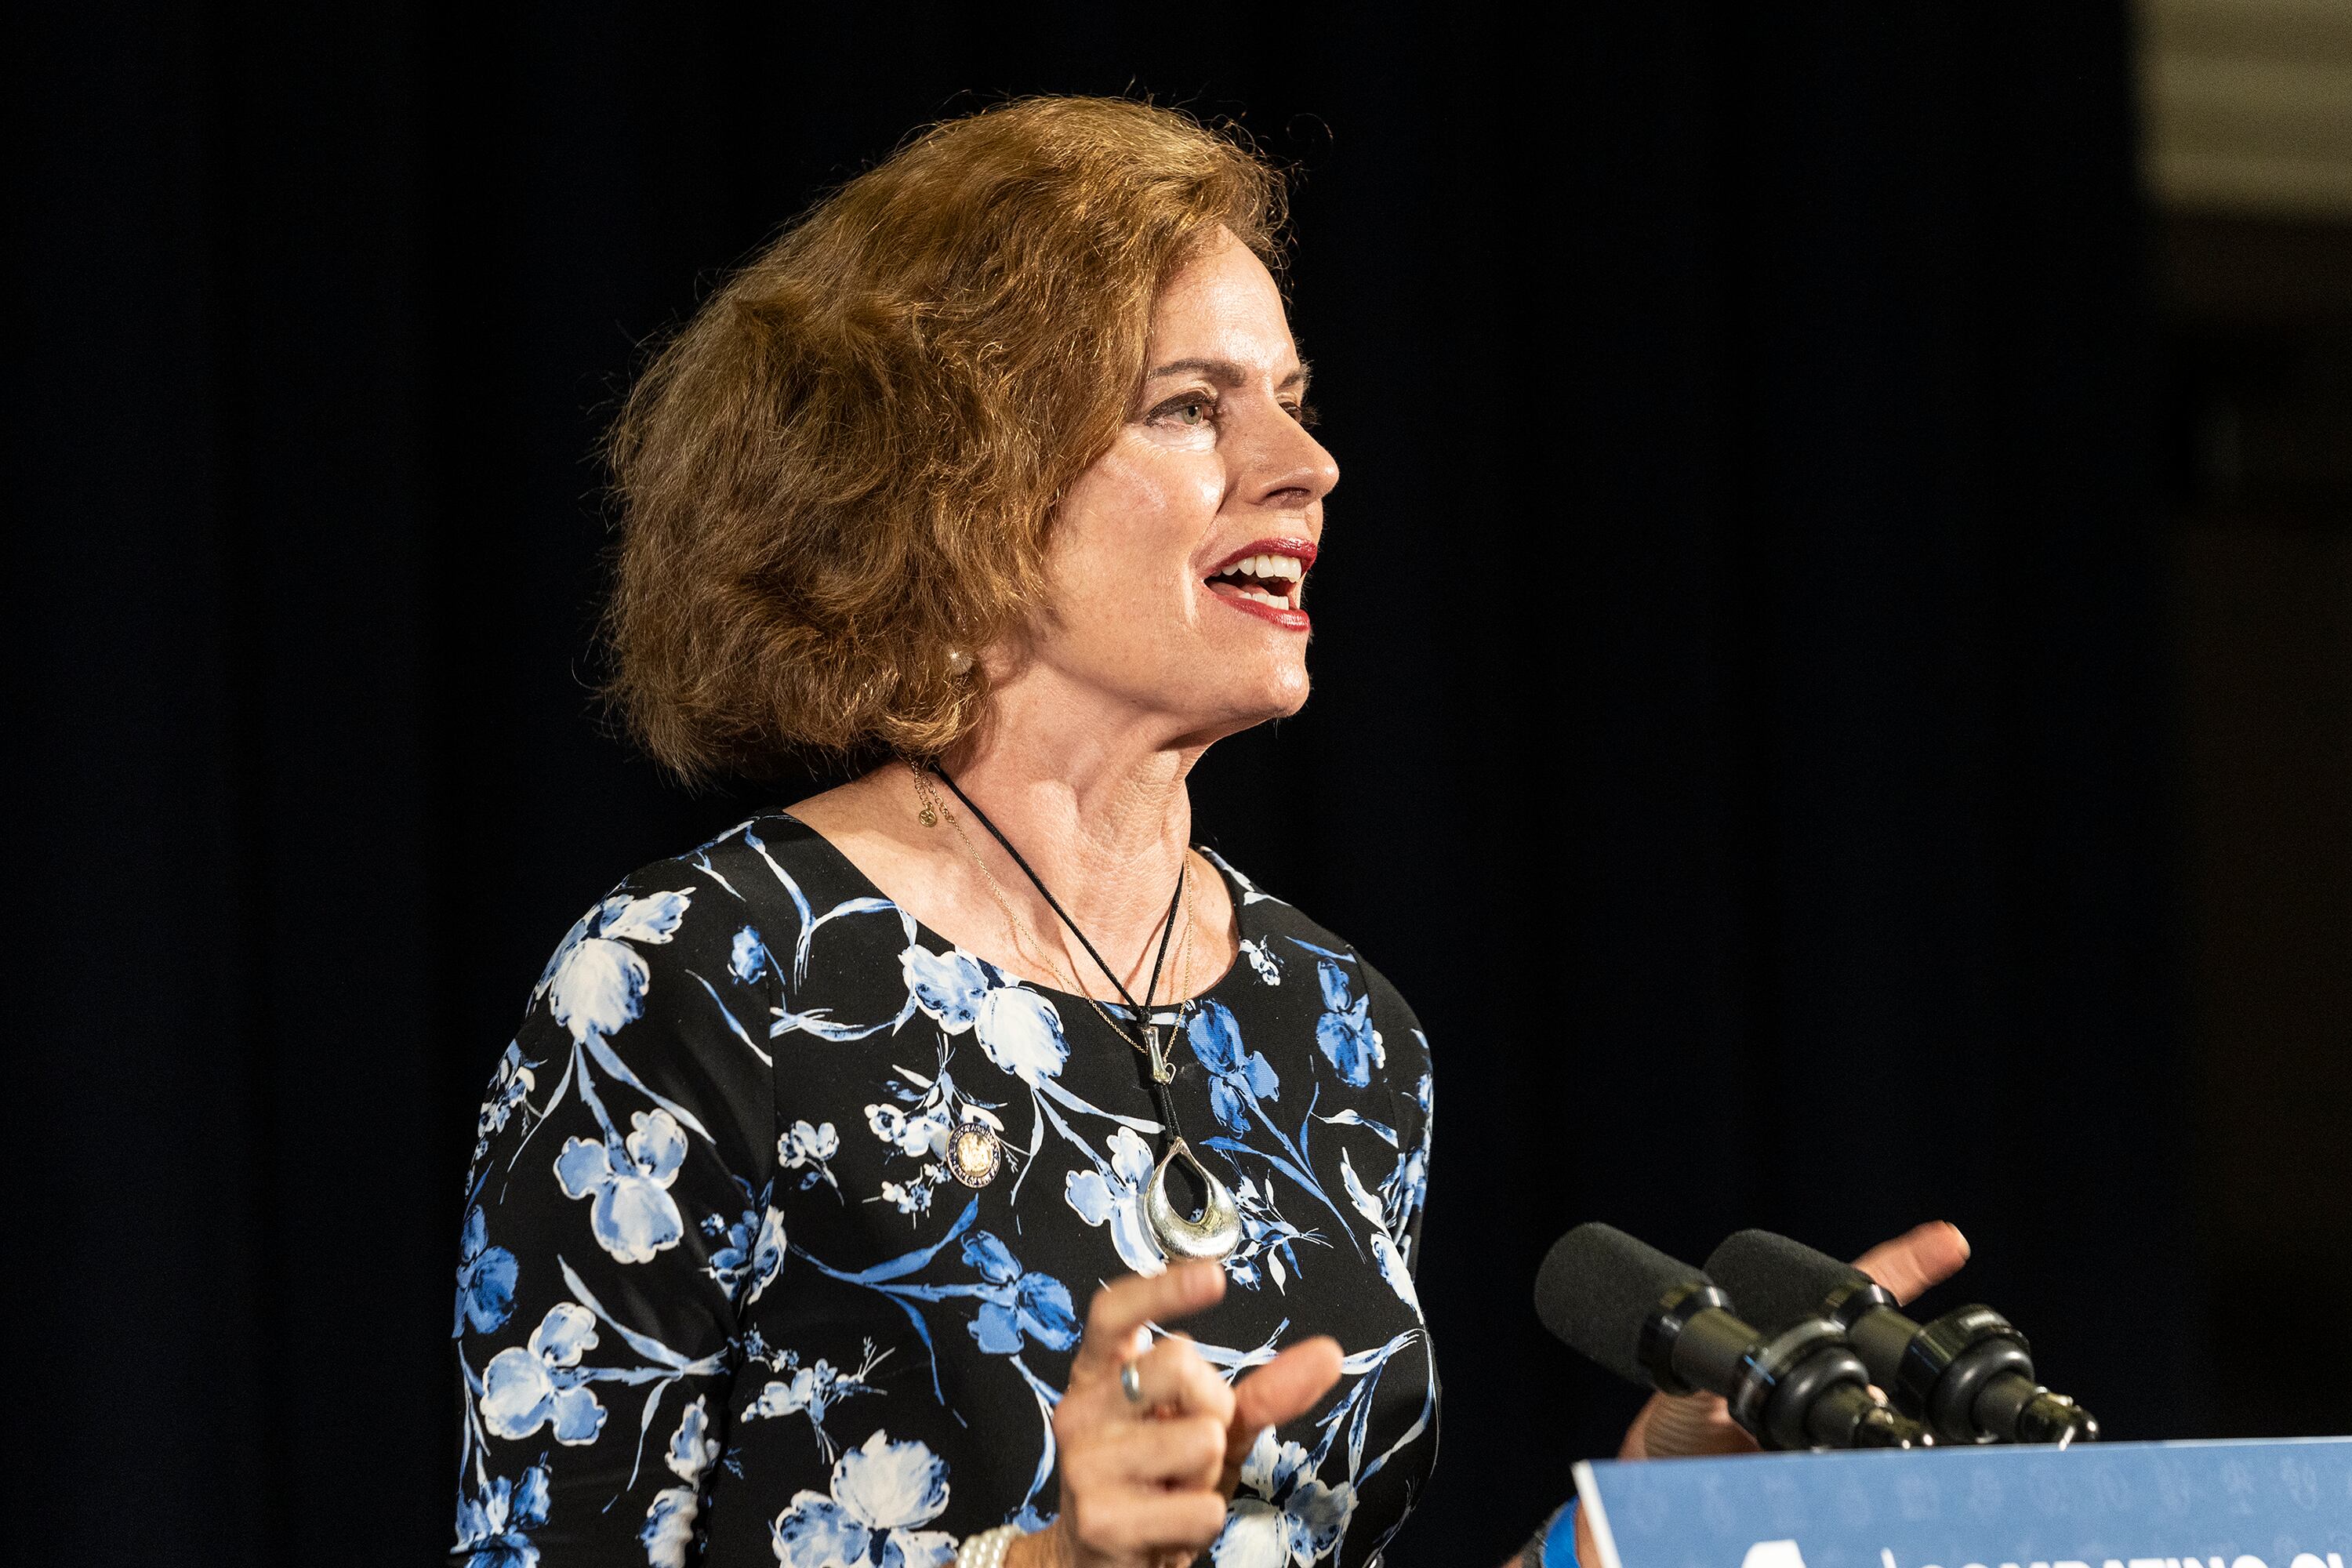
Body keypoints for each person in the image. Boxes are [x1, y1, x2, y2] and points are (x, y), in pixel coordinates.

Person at [450, 96, 1965, 1568]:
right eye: (1190, 406)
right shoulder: (697, 985)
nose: (1307, 469)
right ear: (952, 486)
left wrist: (1646, 1520)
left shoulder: (1339, 1032)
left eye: (1293, 404)